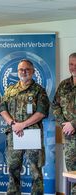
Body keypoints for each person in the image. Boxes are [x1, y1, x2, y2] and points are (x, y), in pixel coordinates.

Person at [0, 59, 49, 194]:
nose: (24, 72)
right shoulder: (10, 90)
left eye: (27, 69)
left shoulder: (39, 91)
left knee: (36, 171)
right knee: (13, 170)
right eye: (21, 69)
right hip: (14, 134)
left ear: (33, 72)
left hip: (32, 135)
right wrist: (13, 123)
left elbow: (41, 112)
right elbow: (2, 109)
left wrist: (22, 125)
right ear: (17, 71)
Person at [52, 53, 76, 193]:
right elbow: (55, 106)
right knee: (72, 172)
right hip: (69, 137)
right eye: (71, 64)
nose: (74, 67)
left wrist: (74, 123)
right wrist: (64, 124)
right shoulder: (64, 85)